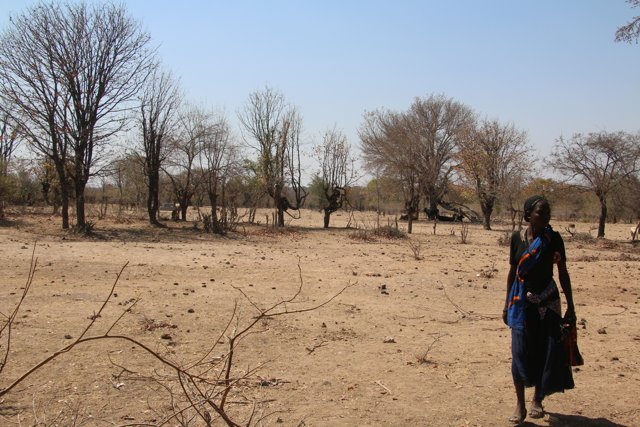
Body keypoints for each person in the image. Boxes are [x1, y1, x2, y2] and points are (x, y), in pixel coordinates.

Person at [503, 195, 576, 424]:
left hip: (548, 302)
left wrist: (571, 307)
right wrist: (506, 304)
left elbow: (562, 272)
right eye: (541, 212)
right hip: (521, 302)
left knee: (546, 353)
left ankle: (537, 399)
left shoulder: (553, 240)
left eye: (548, 212)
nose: (546, 216)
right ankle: (520, 404)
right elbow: (513, 271)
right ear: (528, 216)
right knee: (519, 353)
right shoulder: (517, 239)